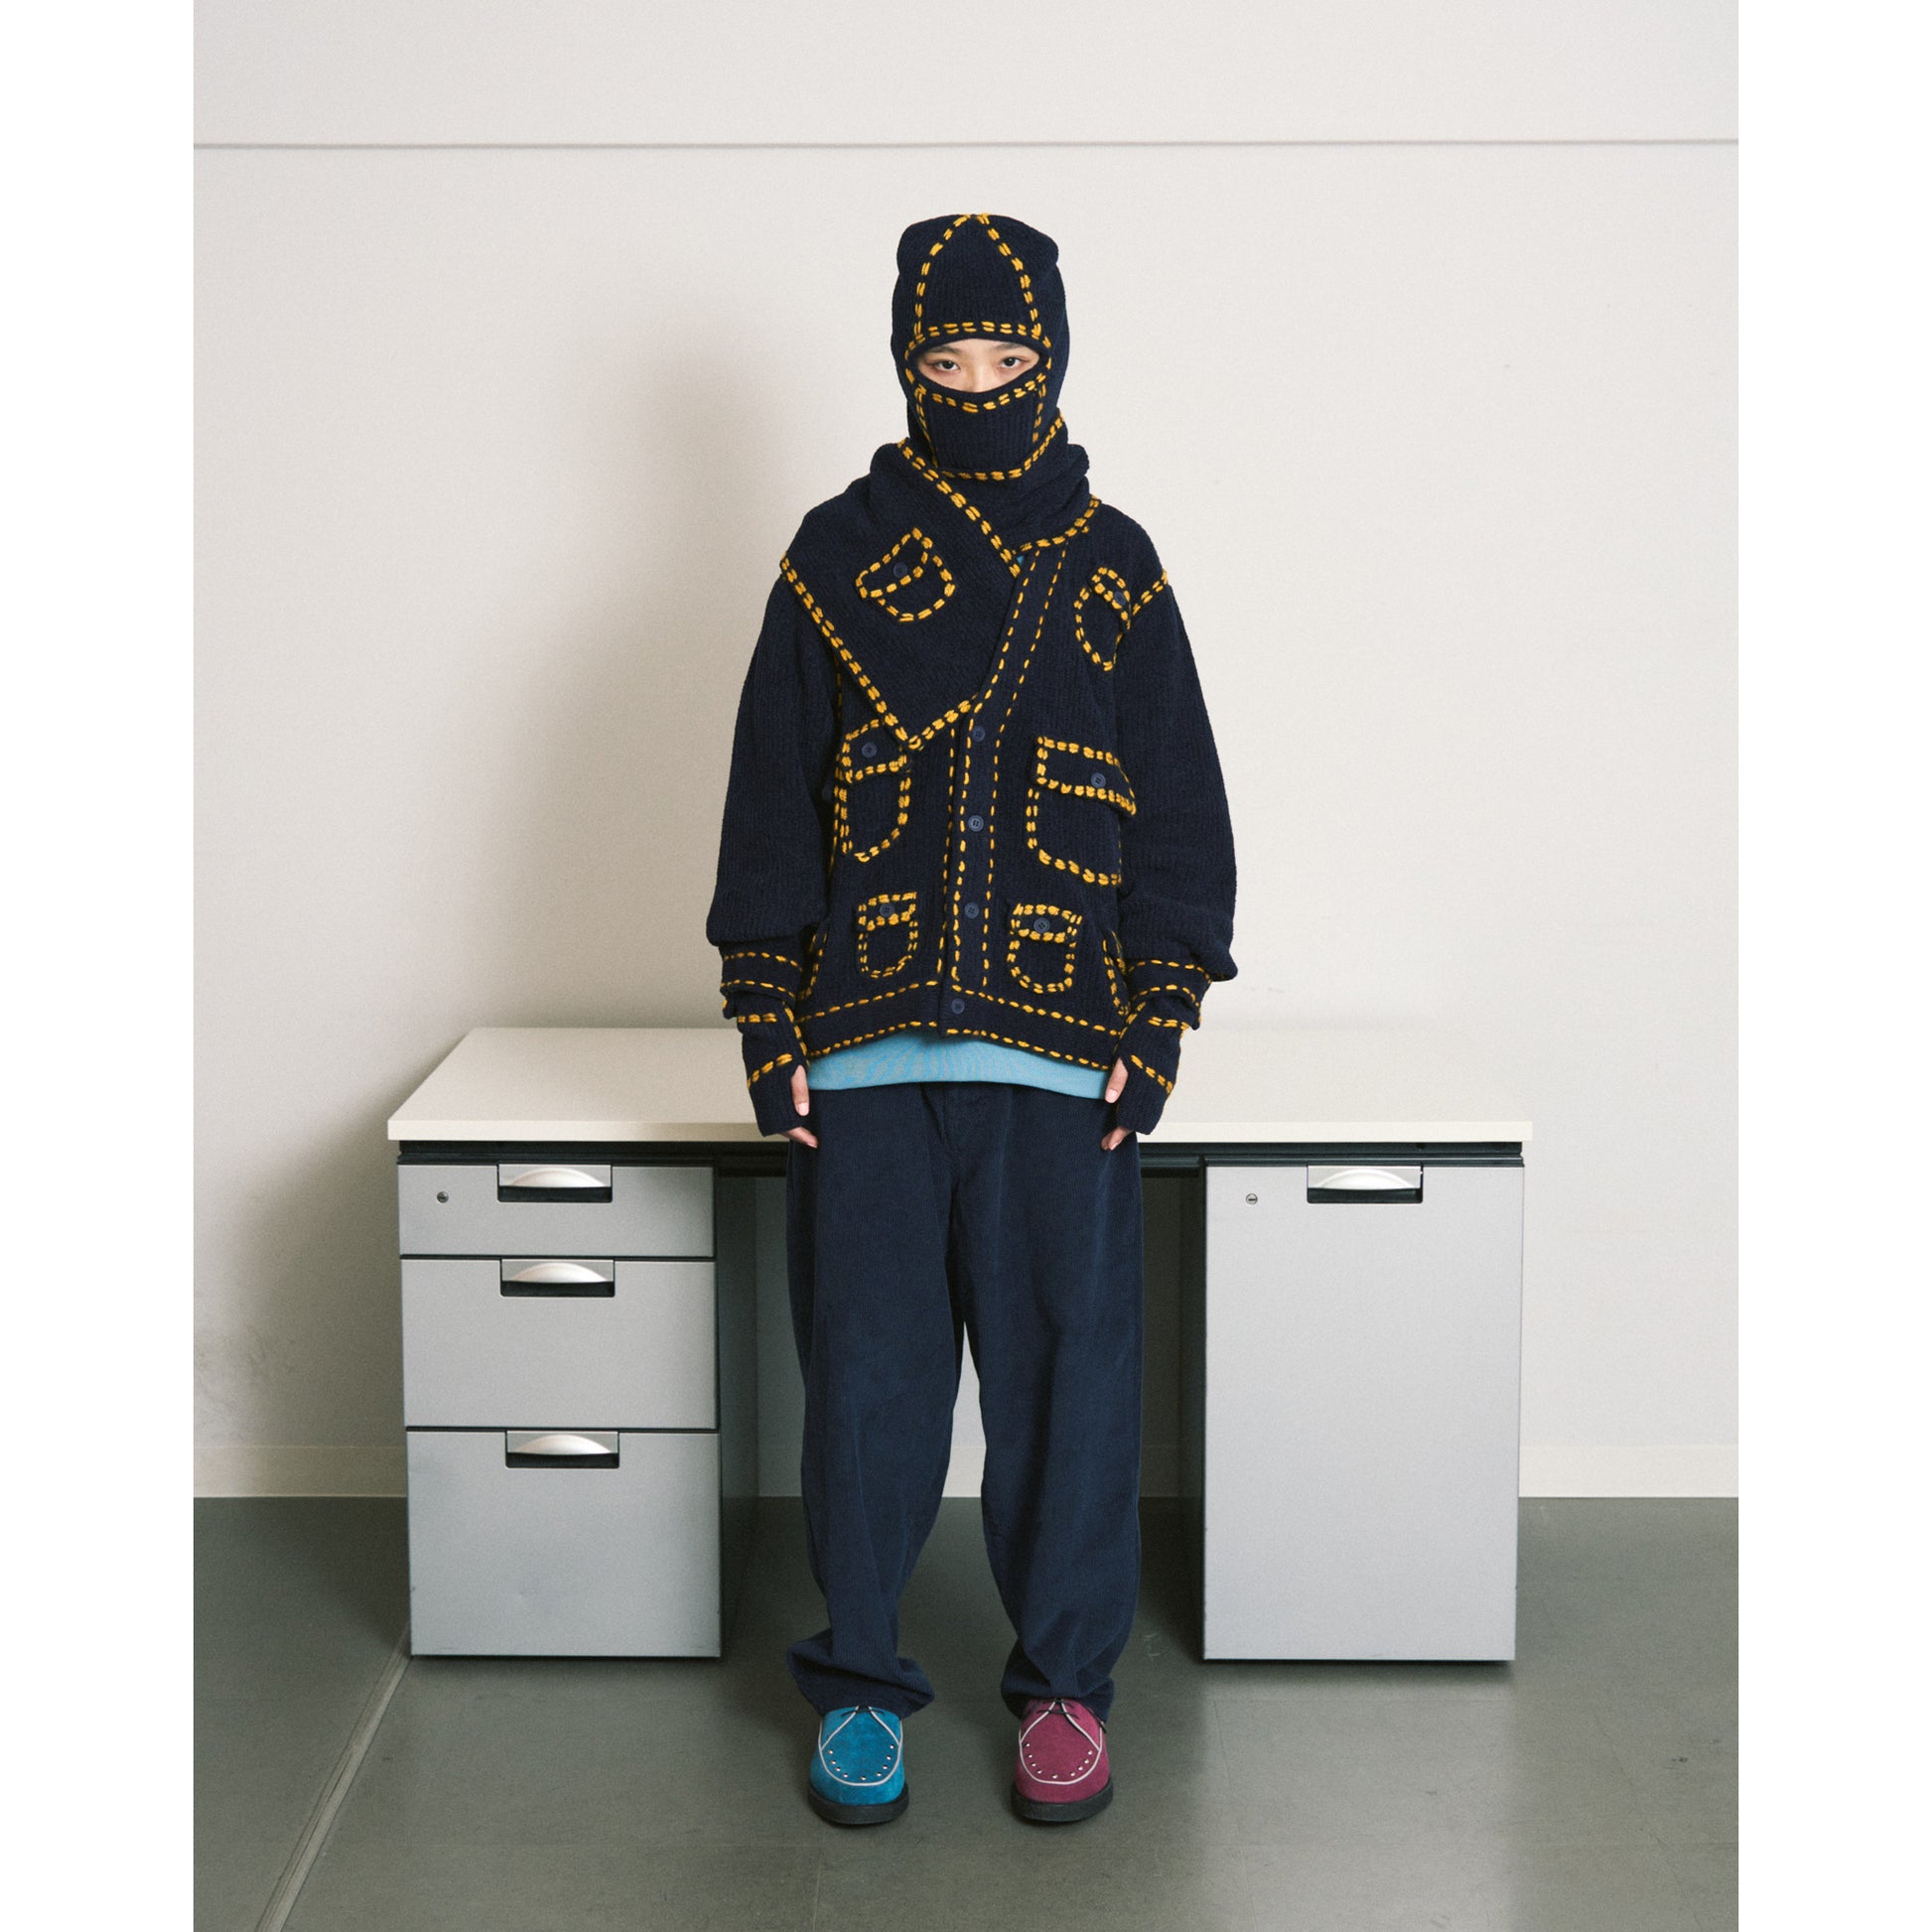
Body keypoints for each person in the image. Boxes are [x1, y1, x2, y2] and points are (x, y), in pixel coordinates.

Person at [704, 211, 1237, 1827]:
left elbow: (1178, 811)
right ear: (902, 362)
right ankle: (861, 1680)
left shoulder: (1113, 562)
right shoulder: (831, 556)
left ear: (1054, 358)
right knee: (865, 1391)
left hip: (1062, 1060)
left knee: (1071, 1389)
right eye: (945, 356)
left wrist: (1157, 1016)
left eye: (1010, 355)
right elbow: (771, 800)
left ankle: (1064, 1683)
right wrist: (767, 1019)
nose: (979, 382)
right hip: (862, 1051)